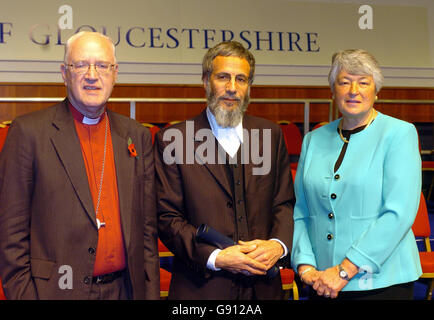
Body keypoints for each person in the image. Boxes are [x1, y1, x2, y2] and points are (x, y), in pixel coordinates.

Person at [0, 31, 159, 300]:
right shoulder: (28, 133)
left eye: (102, 65)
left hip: (125, 291)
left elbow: (147, 231)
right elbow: (10, 235)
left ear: (115, 73)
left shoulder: (137, 136)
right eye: (81, 65)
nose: (92, 75)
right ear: (64, 72)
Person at [154, 41, 294, 299]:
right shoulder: (174, 139)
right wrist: (217, 257)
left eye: (241, 79)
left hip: (263, 289)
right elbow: (168, 218)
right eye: (223, 77)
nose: (232, 88)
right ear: (206, 81)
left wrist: (278, 245)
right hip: (201, 289)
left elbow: (284, 204)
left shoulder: (270, 135)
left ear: (249, 86)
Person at [291, 49, 422, 300]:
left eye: (363, 82)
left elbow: (398, 213)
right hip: (322, 281)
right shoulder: (312, 140)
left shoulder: (399, 134)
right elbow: (301, 211)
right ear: (333, 92)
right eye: (344, 82)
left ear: (376, 91)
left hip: (381, 283)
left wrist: (344, 271)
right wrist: (305, 265)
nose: (354, 90)